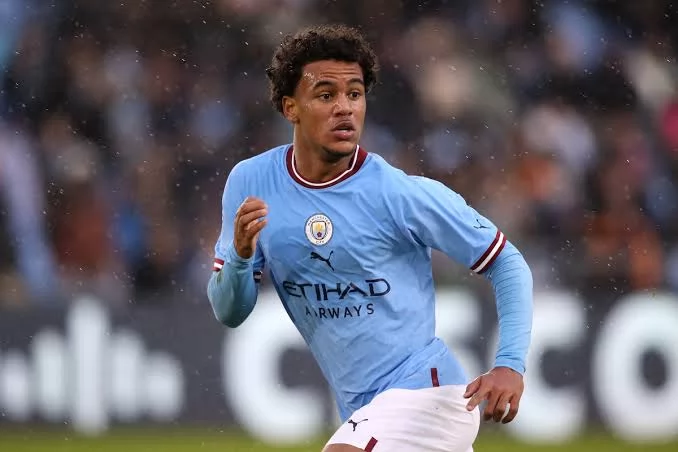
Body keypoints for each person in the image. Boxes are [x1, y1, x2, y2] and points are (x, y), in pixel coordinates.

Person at [207, 24, 533, 452]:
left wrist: (509, 364)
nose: (344, 108)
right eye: (326, 95)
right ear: (291, 107)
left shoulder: (397, 193)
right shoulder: (250, 183)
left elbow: (507, 262)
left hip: (427, 394)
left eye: (355, 94)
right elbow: (229, 311)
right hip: (364, 410)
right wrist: (240, 256)